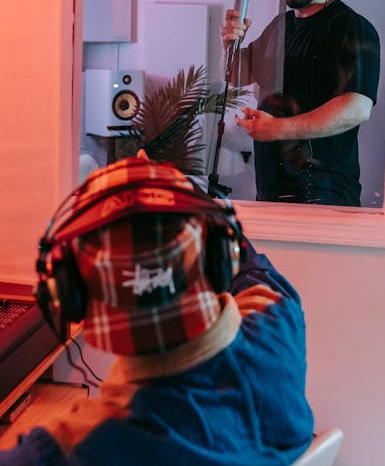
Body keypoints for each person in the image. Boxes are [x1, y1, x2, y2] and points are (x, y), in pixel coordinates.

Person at [0, 156, 313, 465]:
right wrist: (172, 192)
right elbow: (248, 265)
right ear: (219, 257)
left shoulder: (80, 448)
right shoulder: (278, 319)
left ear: (73, 296)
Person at [221, 0, 380, 206]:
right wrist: (230, 43)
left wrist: (277, 129)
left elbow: (357, 108)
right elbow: (238, 77)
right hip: (270, 191)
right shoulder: (278, 27)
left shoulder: (349, 26)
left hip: (323, 195)